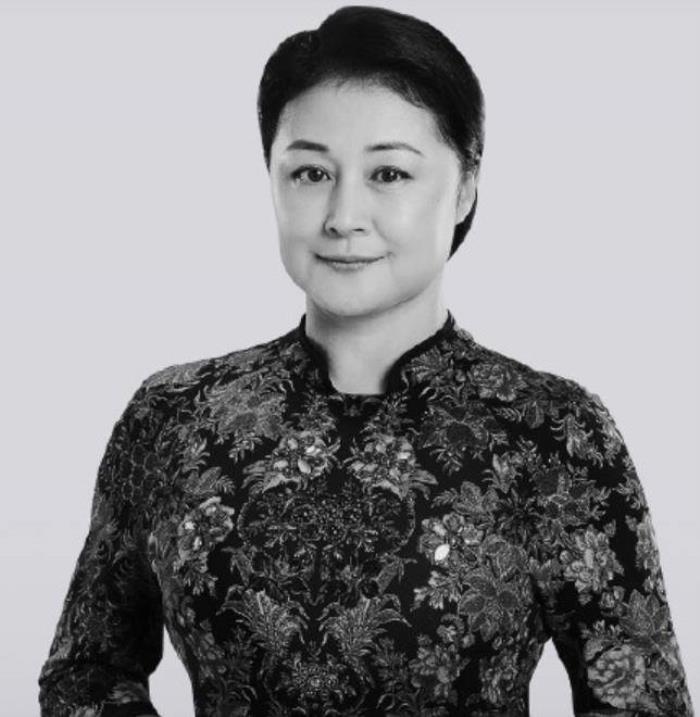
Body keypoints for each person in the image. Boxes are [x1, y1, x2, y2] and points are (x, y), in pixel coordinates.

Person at [38, 5, 694, 716]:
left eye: (388, 172)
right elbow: (86, 671)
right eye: (310, 172)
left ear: (466, 186)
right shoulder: (174, 416)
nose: (343, 215)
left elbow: (641, 700)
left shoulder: (554, 434)